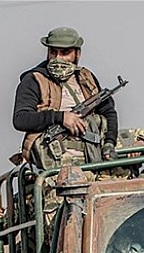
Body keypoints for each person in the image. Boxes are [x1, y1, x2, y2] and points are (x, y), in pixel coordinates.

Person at [13, 26, 119, 169]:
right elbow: (21, 119)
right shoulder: (35, 80)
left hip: (93, 151)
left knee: (138, 141)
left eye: (65, 52)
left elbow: (108, 111)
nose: (58, 58)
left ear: (77, 54)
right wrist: (60, 118)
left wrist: (109, 143)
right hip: (56, 159)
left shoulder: (85, 78)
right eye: (53, 52)